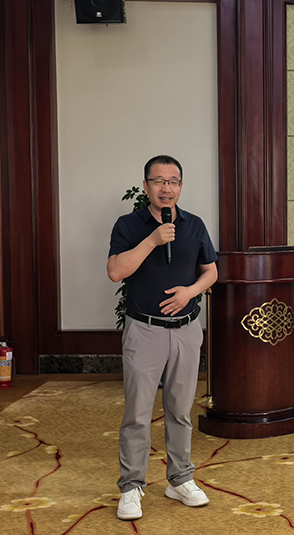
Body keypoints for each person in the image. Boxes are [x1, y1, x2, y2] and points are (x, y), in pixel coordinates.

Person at [107, 155, 218, 521]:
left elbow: (211, 272)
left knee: (180, 411)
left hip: (187, 330)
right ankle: (131, 486)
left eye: (173, 181)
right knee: (138, 414)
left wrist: (190, 292)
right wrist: (152, 240)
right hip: (144, 330)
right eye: (158, 181)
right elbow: (115, 272)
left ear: (181, 187)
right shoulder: (128, 225)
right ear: (146, 187)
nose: (166, 188)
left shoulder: (194, 225)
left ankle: (180, 479)